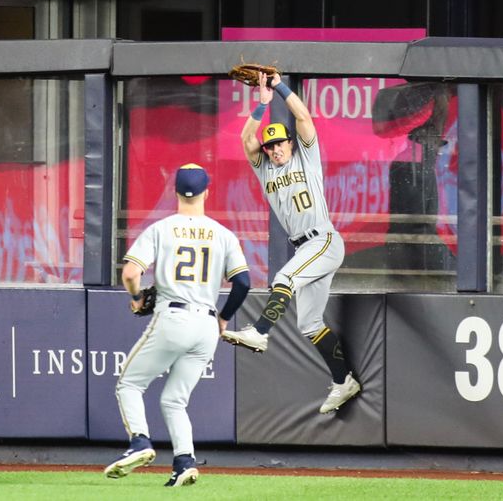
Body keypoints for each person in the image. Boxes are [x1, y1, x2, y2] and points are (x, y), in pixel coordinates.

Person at [222, 71, 361, 414]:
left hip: (324, 240)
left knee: (283, 278)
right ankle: (344, 381)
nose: (274, 149)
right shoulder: (265, 169)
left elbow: (302, 117)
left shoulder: (306, 158)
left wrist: (280, 86)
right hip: (305, 247)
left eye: (280, 143)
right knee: (309, 324)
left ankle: (260, 331)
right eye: (270, 146)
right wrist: (262, 105)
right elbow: (246, 139)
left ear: (289, 144)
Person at [104, 163, 250, 487]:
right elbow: (242, 282)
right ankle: (184, 461)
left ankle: (140, 442)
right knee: (174, 400)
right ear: (206, 193)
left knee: (128, 384)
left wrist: (138, 296)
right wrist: (224, 318)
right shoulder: (223, 234)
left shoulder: (162, 228)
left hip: (174, 316)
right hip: (207, 325)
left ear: (175, 193)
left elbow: (130, 273)